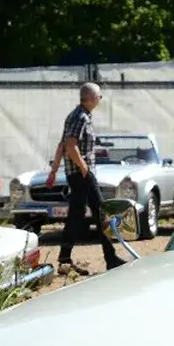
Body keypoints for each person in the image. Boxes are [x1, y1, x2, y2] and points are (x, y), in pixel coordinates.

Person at [45, 82, 121, 274]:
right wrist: (84, 167)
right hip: (82, 174)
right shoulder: (81, 117)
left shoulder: (75, 115)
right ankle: (110, 258)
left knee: (77, 215)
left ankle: (66, 258)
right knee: (101, 212)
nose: (100, 100)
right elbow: (70, 146)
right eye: (99, 97)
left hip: (77, 173)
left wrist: (54, 170)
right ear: (91, 98)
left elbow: (62, 145)